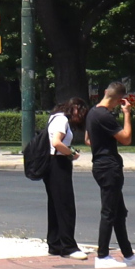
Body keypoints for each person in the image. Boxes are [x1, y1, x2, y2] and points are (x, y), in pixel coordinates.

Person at [85, 81, 135, 268]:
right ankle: (102, 256)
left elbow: (89, 139)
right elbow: (126, 138)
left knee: (118, 212)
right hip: (108, 167)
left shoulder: (92, 112)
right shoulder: (105, 116)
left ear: (105, 92)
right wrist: (127, 114)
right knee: (109, 212)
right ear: (119, 99)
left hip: (100, 164)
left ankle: (129, 255)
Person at [42, 97, 88, 259]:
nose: (80, 116)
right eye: (80, 111)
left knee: (55, 205)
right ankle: (68, 246)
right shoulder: (61, 120)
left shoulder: (55, 117)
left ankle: (55, 244)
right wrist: (71, 153)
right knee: (66, 206)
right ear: (74, 108)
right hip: (58, 163)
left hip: (51, 163)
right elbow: (56, 142)